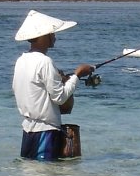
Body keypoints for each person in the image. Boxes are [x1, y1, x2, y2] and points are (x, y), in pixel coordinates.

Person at [12, 10, 95, 160]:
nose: (54, 36)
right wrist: (77, 75)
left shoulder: (21, 61)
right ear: (43, 36)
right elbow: (60, 98)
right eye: (52, 33)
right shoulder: (45, 62)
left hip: (28, 129)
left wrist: (63, 79)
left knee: (30, 174)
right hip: (46, 131)